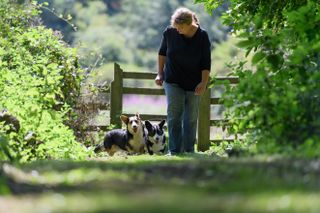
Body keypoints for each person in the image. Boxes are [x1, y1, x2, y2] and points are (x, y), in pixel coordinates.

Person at [155, 7, 211, 155]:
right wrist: (159, 74)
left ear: (190, 23)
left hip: (195, 83)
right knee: (174, 117)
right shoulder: (169, 32)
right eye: (175, 26)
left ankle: (189, 150)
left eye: (180, 27)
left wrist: (203, 83)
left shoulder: (202, 36)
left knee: (191, 119)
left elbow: (206, 62)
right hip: (173, 80)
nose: (177, 30)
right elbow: (162, 53)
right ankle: (174, 151)